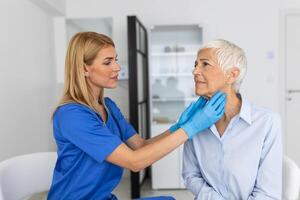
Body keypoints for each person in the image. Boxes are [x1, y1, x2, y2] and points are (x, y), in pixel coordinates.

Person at [47, 32, 227, 200]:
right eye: (108, 62)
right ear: (85, 69)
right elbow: (135, 162)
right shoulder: (71, 115)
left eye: (116, 60)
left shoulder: (108, 107)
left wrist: (180, 126)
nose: (117, 67)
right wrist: (192, 127)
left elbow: (140, 146)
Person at [182, 39, 282, 200]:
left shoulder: (267, 122)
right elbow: (190, 175)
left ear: (232, 75)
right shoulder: (194, 122)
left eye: (205, 64)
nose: (195, 71)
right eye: (195, 64)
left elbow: (268, 192)